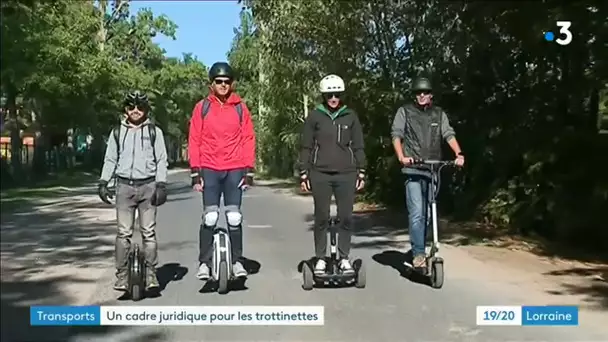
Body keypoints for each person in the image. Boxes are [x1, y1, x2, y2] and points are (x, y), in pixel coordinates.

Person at [188, 61, 256, 280]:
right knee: (210, 217)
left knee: (234, 217)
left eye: (227, 82)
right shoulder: (202, 107)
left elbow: (248, 138)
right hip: (209, 168)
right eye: (219, 82)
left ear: (232, 84)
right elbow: (194, 139)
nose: (223, 85)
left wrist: (249, 170)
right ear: (212, 84)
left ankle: (236, 261)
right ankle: (204, 263)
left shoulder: (240, 107)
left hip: (235, 167)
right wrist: (195, 172)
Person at [390, 76, 465, 269]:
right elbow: (396, 134)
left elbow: (448, 134)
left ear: (431, 95)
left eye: (425, 92)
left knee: (429, 214)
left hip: (432, 170)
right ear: (414, 95)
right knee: (417, 214)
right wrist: (401, 157)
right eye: (418, 93)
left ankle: (421, 248)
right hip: (413, 169)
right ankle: (418, 254)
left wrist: (458, 154)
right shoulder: (405, 111)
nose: (421, 95)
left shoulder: (438, 114)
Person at [98, 90, 169, 291]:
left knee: (148, 233)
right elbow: (110, 159)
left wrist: (161, 185)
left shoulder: (155, 132)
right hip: (124, 187)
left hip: (148, 186)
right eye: (131, 107)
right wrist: (103, 182)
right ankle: (121, 275)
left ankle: (151, 273)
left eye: (140, 107)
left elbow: (162, 159)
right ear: (125, 109)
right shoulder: (117, 132)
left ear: (146, 110)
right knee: (123, 233)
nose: (136, 111)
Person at [299, 74, 366, 276]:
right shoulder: (315, 116)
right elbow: (306, 146)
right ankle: (320, 258)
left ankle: (344, 258)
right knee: (322, 217)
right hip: (320, 174)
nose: (333, 98)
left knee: (345, 217)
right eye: (330, 95)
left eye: (337, 94)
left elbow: (358, 145)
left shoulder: (350, 116)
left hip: (346, 174)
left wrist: (361, 171)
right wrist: (304, 173)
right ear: (324, 95)